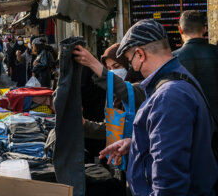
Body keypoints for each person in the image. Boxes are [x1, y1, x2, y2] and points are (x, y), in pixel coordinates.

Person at [74, 19, 218, 195]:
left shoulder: (169, 96)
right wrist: (136, 144)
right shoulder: (178, 80)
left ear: (140, 55)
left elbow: (169, 181)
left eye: (128, 59)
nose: (132, 66)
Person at [174, 10, 218, 123]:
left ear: (180, 29)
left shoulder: (173, 59)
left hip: (190, 124)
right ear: (205, 29)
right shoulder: (215, 52)